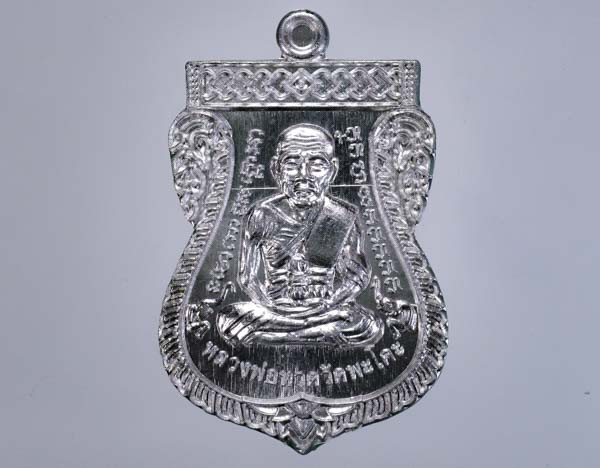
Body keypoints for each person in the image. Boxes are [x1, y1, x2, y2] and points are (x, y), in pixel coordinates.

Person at [216, 124, 383, 347]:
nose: (304, 175)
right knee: (228, 319)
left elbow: (357, 277)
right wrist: (271, 307)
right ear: (276, 169)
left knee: (366, 325)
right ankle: (315, 335)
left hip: (325, 310)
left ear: (332, 170)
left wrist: (328, 305)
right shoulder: (262, 215)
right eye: (292, 164)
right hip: (275, 310)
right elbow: (248, 278)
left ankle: (282, 337)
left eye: (317, 165)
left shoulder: (340, 216)